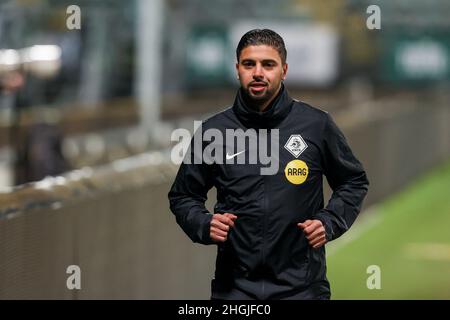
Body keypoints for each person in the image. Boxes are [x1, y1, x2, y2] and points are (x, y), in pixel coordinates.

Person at [168, 29, 369, 300]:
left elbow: (353, 181)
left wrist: (329, 221)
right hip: (234, 290)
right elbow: (183, 195)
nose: (258, 72)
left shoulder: (316, 125)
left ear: (284, 70)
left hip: (302, 289)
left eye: (268, 64)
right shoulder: (213, 131)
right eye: (249, 64)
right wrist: (203, 224)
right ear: (237, 69)